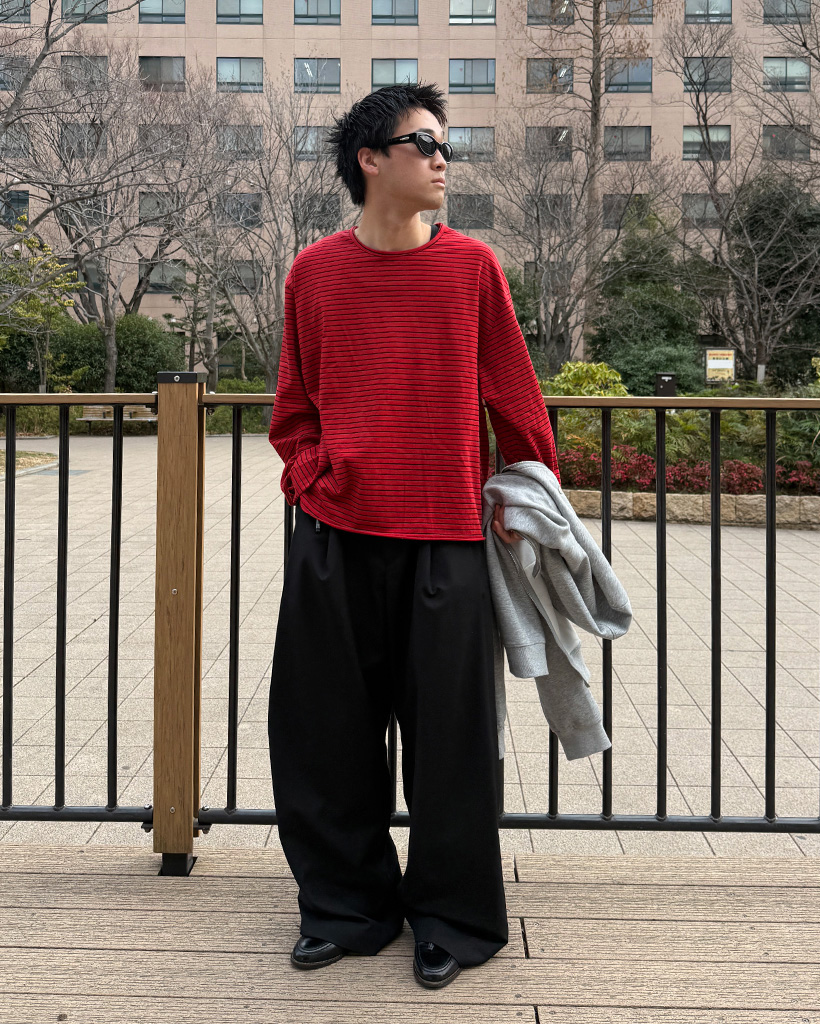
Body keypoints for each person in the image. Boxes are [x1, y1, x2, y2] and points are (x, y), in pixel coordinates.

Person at [267, 81, 560, 990]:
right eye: (423, 142)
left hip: (447, 538)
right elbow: (293, 407)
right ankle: (345, 909)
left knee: (452, 743)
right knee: (323, 734)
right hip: (334, 535)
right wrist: (312, 478)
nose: (442, 158)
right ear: (370, 159)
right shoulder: (313, 273)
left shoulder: (473, 268)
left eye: (445, 143)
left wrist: (525, 494)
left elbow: (517, 399)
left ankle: (454, 918)